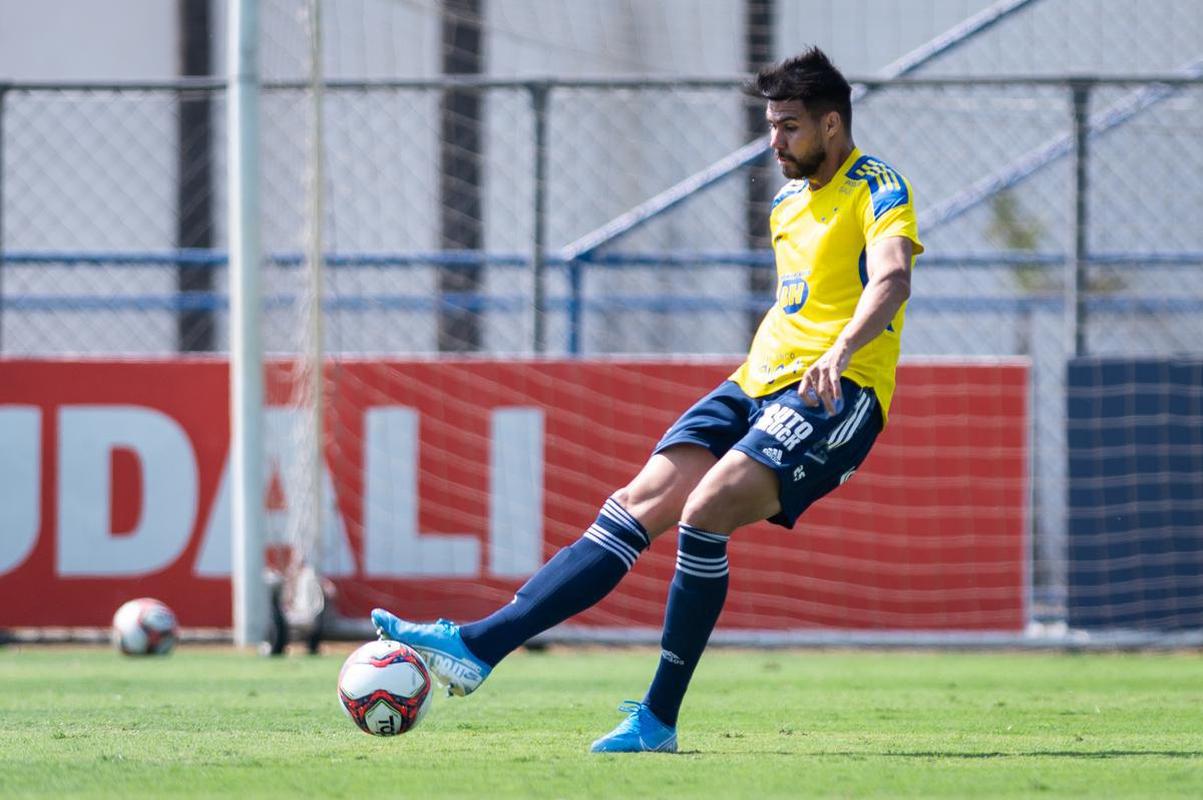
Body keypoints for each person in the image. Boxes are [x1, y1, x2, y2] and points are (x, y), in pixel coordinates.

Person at [372, 46, 923, 753]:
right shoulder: (787, 201)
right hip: (753, 382)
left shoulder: (877, 185)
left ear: (832, 125)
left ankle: (656, 720)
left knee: (705, 511)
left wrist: (841, 350)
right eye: (769, 124)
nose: (773, 141)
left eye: (788, 126)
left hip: (834, 391)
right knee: (634, 507)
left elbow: (889, 280)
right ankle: (478, 646)